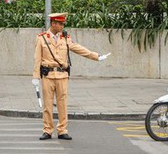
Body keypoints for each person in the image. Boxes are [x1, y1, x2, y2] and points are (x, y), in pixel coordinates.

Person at [32, 13, 111, 141]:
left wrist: (97, 56)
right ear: (53, 24)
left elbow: (79, 49)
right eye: (60, 24)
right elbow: (37, 59)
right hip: (48, 76)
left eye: (63, 24)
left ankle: (62, 130)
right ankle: (47, 130)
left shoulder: (65, 38)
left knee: (63, 104)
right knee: (47, 105)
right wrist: (35, 77)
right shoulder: (42, 38)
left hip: (62, 75)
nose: (63, 26)